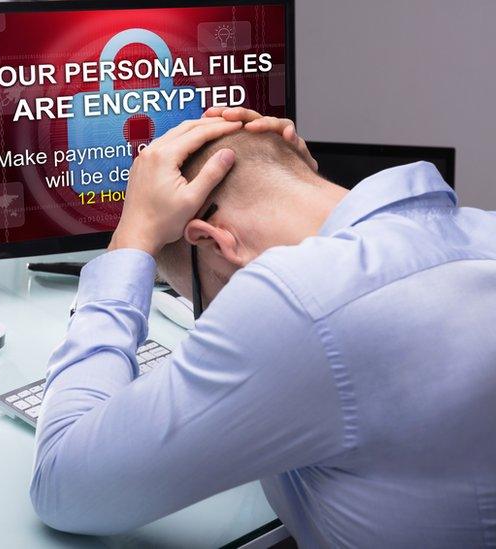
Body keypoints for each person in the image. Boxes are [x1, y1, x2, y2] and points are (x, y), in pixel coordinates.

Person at [30, 107, 496, 547]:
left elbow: (60, 484)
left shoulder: (299, 301)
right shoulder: (481, 231)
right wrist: (293, 173)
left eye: (202, 301)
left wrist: (132, 241)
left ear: (213, 241)